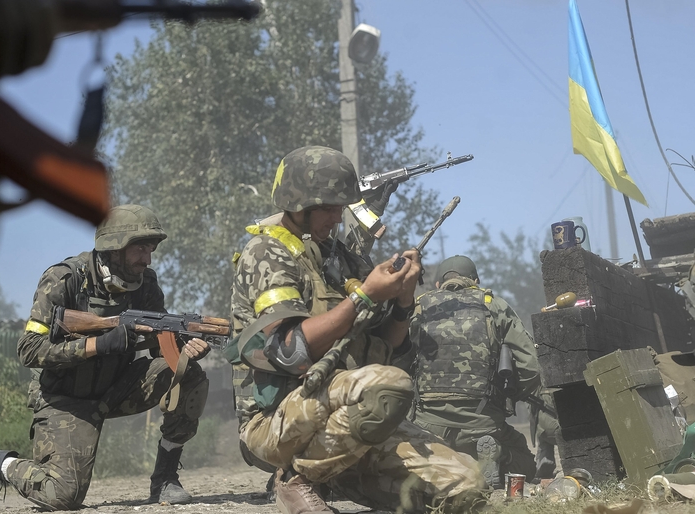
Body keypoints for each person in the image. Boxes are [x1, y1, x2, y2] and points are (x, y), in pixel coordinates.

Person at [227, 146, 485, 514]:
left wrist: (402, 300)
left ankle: (340, 475)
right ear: (298, 204)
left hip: (348, 417)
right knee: (386, 387)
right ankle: (296, 479)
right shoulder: (266, 252)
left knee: (468, 486)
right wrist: (364, 296)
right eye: (328, 208)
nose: (337, 217)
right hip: (275, 421)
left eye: (340, 207)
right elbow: (288, 351)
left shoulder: (340, 257)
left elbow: (387, 352)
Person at [0, 204, 211, 511]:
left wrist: (184, 347)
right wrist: (97, 345)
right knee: (62, 495)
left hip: (115, 389)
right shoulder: (64, 279)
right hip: (64, 398)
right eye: (140, 248)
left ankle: (165, 479)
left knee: (189, 373)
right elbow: (29, 349)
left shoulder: (146, 284)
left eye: (151, 249)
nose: (148, 259)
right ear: (114, 247)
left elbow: (160, 349)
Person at [409, 255, 541, 488]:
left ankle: (443, 459)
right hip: (483, 423)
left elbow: (397, 358)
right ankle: (498, 454)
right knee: (526, 465)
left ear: (438, 284)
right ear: (476, 281)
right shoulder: (494, 305)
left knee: (421, 453)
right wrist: (510, 397)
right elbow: (530, 366)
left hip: (428, 425)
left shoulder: (419, 308)